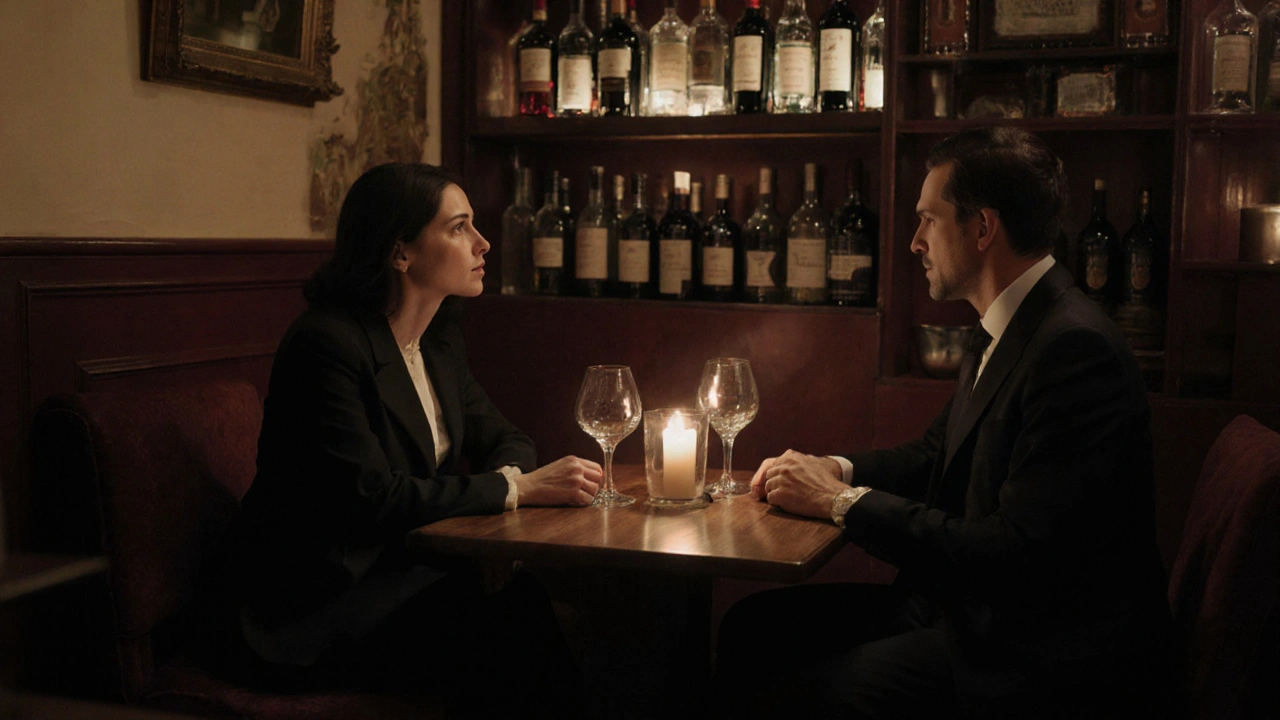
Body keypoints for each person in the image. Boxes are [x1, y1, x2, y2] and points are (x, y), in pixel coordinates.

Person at [714, 127, 1171, 719]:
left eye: (929, 221)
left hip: (1036, 653)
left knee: (816, 687)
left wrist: (841, 502)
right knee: (752, 626)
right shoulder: (1012, 321)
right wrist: (835, 469)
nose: (914, 242)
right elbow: (936, 453)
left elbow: (1015, 555)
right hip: (971, 612)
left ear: (982, 229)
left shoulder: (1073, 348)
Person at [225, 163, 600, 717]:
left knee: (519, 604)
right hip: (314, 605)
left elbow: (508, 438)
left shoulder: (438, 343)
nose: (483, 242)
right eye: (459, 227)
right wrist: (515, 492)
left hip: (402, 576)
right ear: (400, 252)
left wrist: (509, 490)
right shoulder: (325, 345)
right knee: (504, 624)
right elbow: (372, 497)